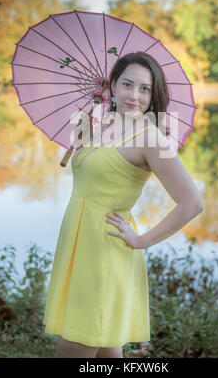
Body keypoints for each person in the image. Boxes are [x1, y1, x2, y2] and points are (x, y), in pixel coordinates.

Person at [43, 52, 203, 358]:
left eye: (145, 88)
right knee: (104, 349)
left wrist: (142, 240)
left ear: (153, 95)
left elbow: (192, 202)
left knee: (74, 343)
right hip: (79, 244)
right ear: (113, 85)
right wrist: (83, 144)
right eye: (128, 84)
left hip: (105, 251)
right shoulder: (101, 126)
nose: (135, 95)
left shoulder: (151, 137)